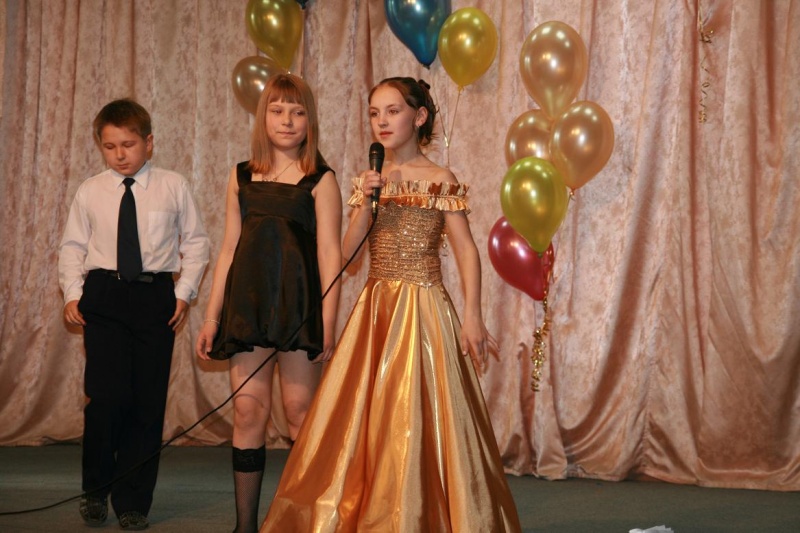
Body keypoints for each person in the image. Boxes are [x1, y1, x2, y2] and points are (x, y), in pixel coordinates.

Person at [260, 77, 521, 532]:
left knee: (418, 414)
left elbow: (465, 250)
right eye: (374, 113)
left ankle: (421, 510)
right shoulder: (370, 180)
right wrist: (366, 200)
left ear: (418, 117)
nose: (382, 121)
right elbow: (347, 253)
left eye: (393, 111)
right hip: (376, 308)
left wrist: (473, 315)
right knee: (366, 415)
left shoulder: (440, 179)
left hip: (423, 308)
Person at [195, 73, 342, 533]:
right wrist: (212, 317)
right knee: (248, 411)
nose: (287, 120)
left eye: (297, 112)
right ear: (263, 117)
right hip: (247, 309)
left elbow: (330, 254)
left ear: (309, 120)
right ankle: (245, 526)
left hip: (299, 311)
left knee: (300, 414)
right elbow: (228, 249)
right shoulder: (241, 175)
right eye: (277, 111)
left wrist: (328, 322)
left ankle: (304, 521)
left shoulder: (321, 179)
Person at [58, 98, 210, 530]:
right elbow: (72, 247)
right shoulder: (90, 191)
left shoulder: (173, 186)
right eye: (110, 147)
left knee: (146, 402)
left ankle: (133, 500)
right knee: (106, 399)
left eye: (128, 145)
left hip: (153, 297)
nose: (120, 155)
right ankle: (95, 489)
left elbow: (196, 243)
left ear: (149, 142)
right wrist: (72, 293)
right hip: (103, 296)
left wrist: (183, 293)